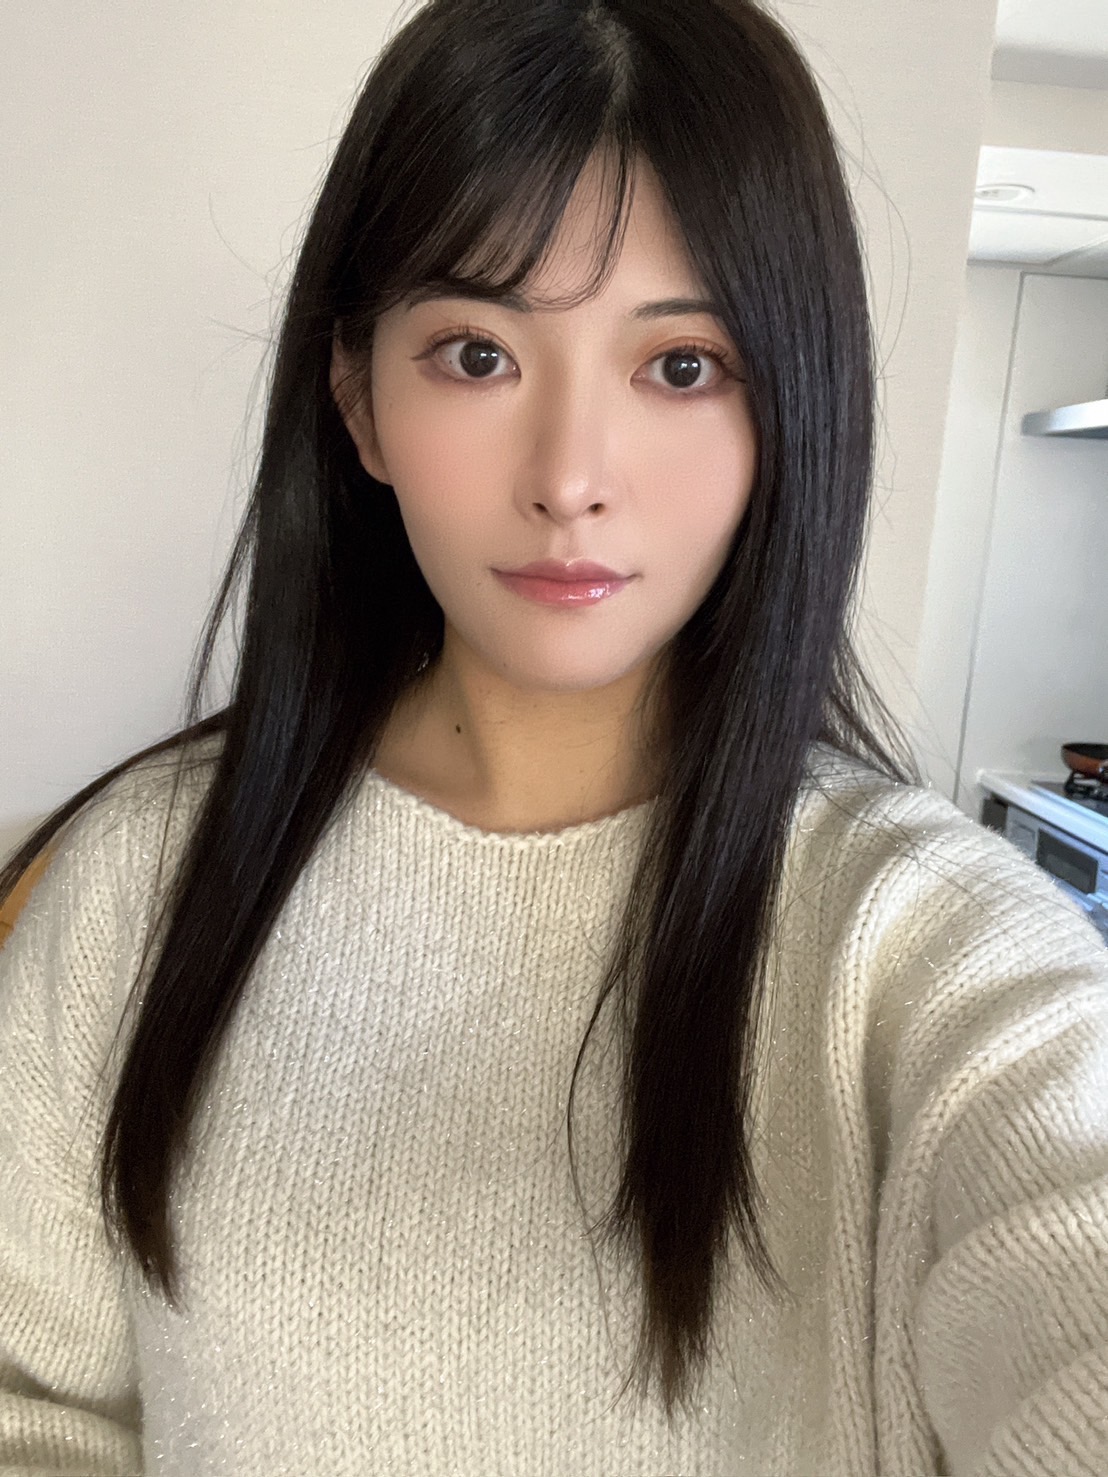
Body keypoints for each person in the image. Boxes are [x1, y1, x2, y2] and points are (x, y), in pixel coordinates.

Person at [1, 0, 1106, 1472]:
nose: (570, 477)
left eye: (682, 365)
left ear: (792, 408)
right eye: (475, 353)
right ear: (358, 401)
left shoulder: (927, 952)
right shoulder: (135, 888)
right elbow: (38, 1405)